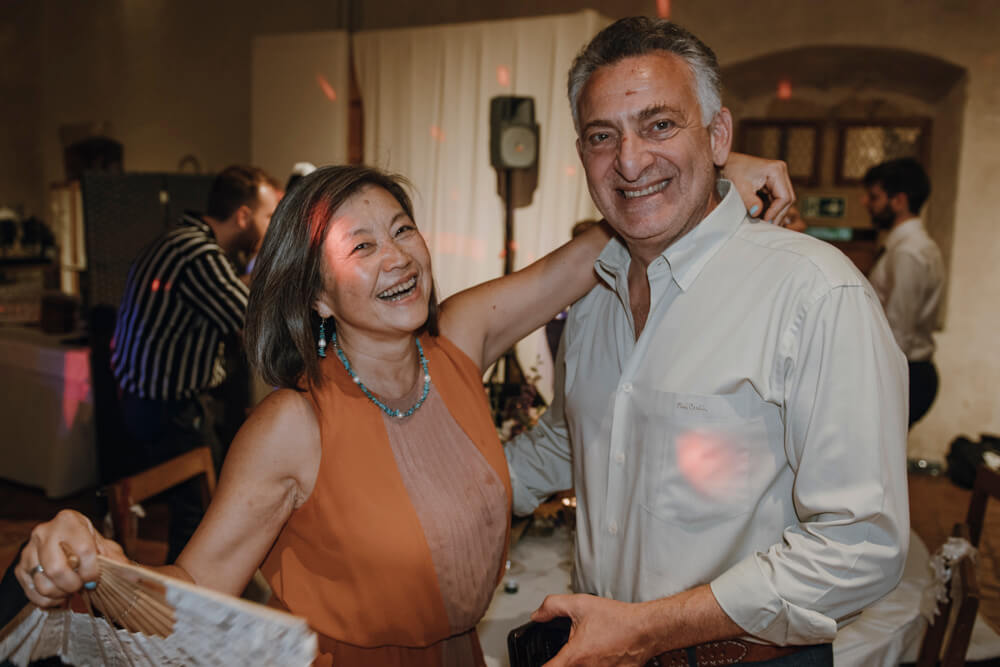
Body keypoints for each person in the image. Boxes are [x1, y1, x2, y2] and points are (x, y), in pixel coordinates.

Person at [14, 153, 790, 665]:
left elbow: (593, 251)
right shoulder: (295, 423)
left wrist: (710, 170)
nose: (398, 256)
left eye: (402, 229)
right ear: (318, 294)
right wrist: (94, 558)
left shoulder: (458, 342)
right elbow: (194, 584)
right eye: (362, 247)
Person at [504, 17, 909, 666]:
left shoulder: (814, 292)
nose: (630, 160)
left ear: (719, 135)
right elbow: (571, 436)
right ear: (582, 154)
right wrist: (442, 490)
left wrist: (648, 630)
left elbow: (861, 545)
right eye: (603, 136)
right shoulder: (596, 297)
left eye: (660, 125)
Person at [110, 164, 281, 561]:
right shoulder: (201, 256)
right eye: (269, 216)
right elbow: (254, 323)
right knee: (199, 513)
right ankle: (185, 593)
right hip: (171, 409)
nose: (271, 227)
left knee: (194, 506)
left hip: (139, 399)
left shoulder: (178, 240)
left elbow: (221, 294)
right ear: (243, 216)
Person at [863, 157, 944, 428]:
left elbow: (899, 331)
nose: (865, 203)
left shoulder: (909, 251)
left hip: (906, 371)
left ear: (899, 201)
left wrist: (876, 384)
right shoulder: (908, 246)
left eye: (874, 197)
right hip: (907, 369)